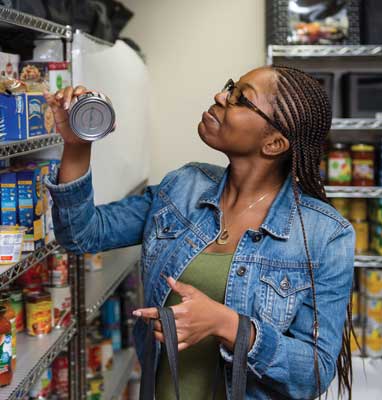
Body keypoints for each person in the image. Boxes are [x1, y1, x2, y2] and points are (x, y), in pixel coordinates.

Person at [44, 65, 355, 400]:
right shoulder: (183, 187)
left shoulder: (325, 235)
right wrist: (77, 145)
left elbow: (314, 372)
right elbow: (81, 233)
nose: (220, 96)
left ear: (274, 143)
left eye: (240, 99)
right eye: (230, 87)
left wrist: (228, 325)